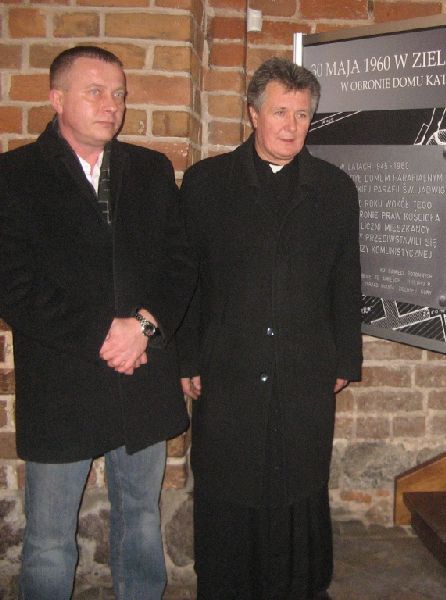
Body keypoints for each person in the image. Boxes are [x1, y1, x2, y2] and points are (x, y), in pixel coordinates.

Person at [0, 46, 195, 599]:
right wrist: (104, 334)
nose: (112, 105)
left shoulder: (150, 170)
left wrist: (144, 326)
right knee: (48, 539)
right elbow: (12, 283)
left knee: (140, 520)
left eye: (119, 94)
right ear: (56, 98)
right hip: (62, 381)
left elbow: (181, 263)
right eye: (96, 92)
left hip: (142, 374)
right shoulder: (14, 175)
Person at [177, 57, 362, 599]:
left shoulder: (334, 189)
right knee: (228, 480)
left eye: (302, 115)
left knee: (299, 480)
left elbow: (345, 279)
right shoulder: (207, 183)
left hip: (305, 366)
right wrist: (186, 357)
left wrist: (345, 358)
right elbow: (188, 278)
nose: (291, 125)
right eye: (280, 112)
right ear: (253, 114)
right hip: (228, 364)